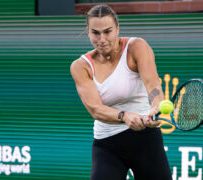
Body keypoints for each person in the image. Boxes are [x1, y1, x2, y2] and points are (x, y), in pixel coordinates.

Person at [70, 4, 172, 180]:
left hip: (145, 140)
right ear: (88, 32)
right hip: (107, 145)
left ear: (117, 28)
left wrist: (156, 106)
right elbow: (95, 109)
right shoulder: (80, 66)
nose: (102, 39)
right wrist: (124, 116)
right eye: (95, 32)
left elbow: (153, 85)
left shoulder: (137, 46)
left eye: (107, 31)